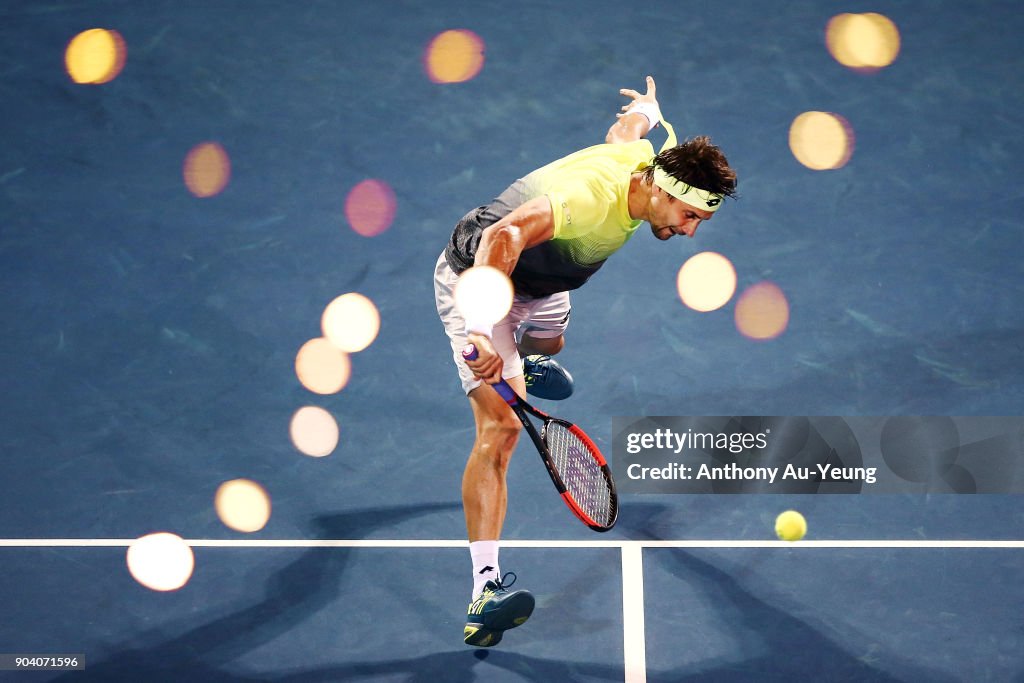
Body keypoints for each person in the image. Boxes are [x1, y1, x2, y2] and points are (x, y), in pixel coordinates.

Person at [433, 76, 737, 647]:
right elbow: (503, 235)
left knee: (550, 349)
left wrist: (645, 111)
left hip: (548, 282)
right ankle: (484, 593)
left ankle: (522, 355)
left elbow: (625, 132)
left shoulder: (644, 160)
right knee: (501, 430)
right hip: (486, 275)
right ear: (664, 192)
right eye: (691, 216)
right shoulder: (588, 200)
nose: (690, 231)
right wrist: (478, 334)